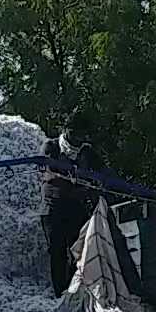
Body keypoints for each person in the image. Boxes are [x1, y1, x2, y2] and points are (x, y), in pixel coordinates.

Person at [41, 110, 103, 294]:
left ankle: (75, 289)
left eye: (82, 135)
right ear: (66, 130)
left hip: (76, 208)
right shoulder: (51, 147)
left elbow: (102, 173)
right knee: (57, 250)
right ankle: (60, 292)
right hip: (53, 208)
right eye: (75, 133)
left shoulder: (87, 152)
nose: (78, 138)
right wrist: (76, 180)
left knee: (80, 249)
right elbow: (50, 171)